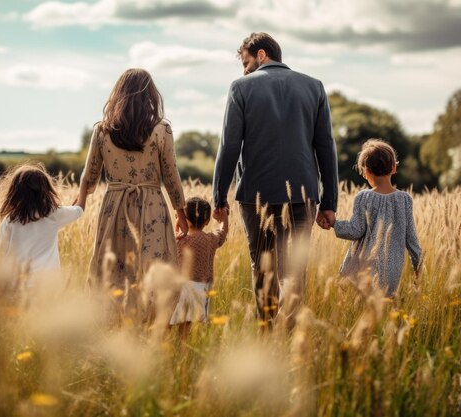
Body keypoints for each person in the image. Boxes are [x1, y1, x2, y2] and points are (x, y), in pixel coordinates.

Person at [213, 32, 338, 323]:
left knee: (263, 266)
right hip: (304, 194)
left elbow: (229, 146)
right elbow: (326, 147)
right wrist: (329, 201)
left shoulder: (240, 88)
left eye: (246, 62)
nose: (243, 70)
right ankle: (291, 335)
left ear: (261, 55)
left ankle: (267, 333)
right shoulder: (314, 86)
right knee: (297, 270)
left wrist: (218, 196)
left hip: (257, 194)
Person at [78, 68, 187, 317]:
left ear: (119, 95)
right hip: (152, 207)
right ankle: (150, 320)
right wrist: (180, 211)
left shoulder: (102, 131)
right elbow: (171, 176)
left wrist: (81, 201)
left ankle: (113, 322)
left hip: (114, 207)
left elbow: (89, 175)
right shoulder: (162, 130)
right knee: (152, 263)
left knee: (113, 266)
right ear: (150, 95)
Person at [324, 139, 422, 296]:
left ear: (366, 171)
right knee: (385, 309)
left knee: (362, 311)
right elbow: (412, 240)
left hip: (364, 269)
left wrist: (335, 223)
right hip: (391, 273)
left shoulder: (364, 197)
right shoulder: (405, 199)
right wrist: (418, 266)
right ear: (394, 168)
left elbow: (355, 230)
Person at [0, 163, 85, 287]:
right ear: (46, 191)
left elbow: (1, 250)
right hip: (48, 285)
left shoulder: (9, 220)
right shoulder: (54, 214)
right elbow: (79, 210)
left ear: (15, 192)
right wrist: (84, 190)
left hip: (19, 283)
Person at [169, 197, 228, 338]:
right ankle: (184, 351)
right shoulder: (210, 239)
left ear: (184, 219)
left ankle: (166, 350)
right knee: (186, 325)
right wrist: (224, 219)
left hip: (181, 288)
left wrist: (178, 223)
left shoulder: (180, 241)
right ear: (207, 221)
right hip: (200, 289)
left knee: (169, 322)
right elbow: (223, 233)